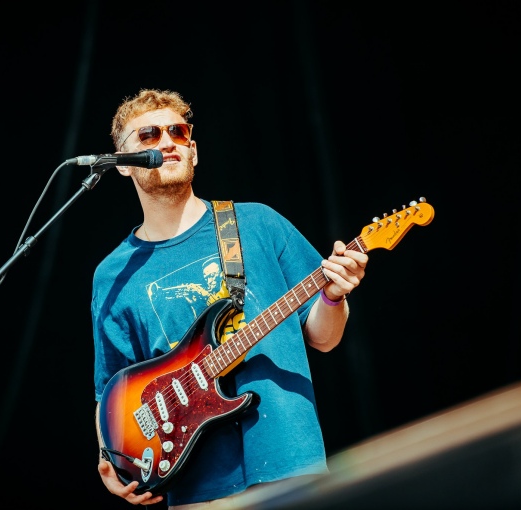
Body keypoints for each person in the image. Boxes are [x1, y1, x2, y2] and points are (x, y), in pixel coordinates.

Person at [91, 89, 368, 509]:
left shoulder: (257, 223)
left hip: (290, 462)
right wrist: (112, 459)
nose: (166, 142)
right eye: (148, 135)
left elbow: (324, 338)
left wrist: (332, 296)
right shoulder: (113, 275)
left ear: (194, 151)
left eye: (178, 132)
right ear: (122, 165)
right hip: (195, 486)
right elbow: (110, 387)